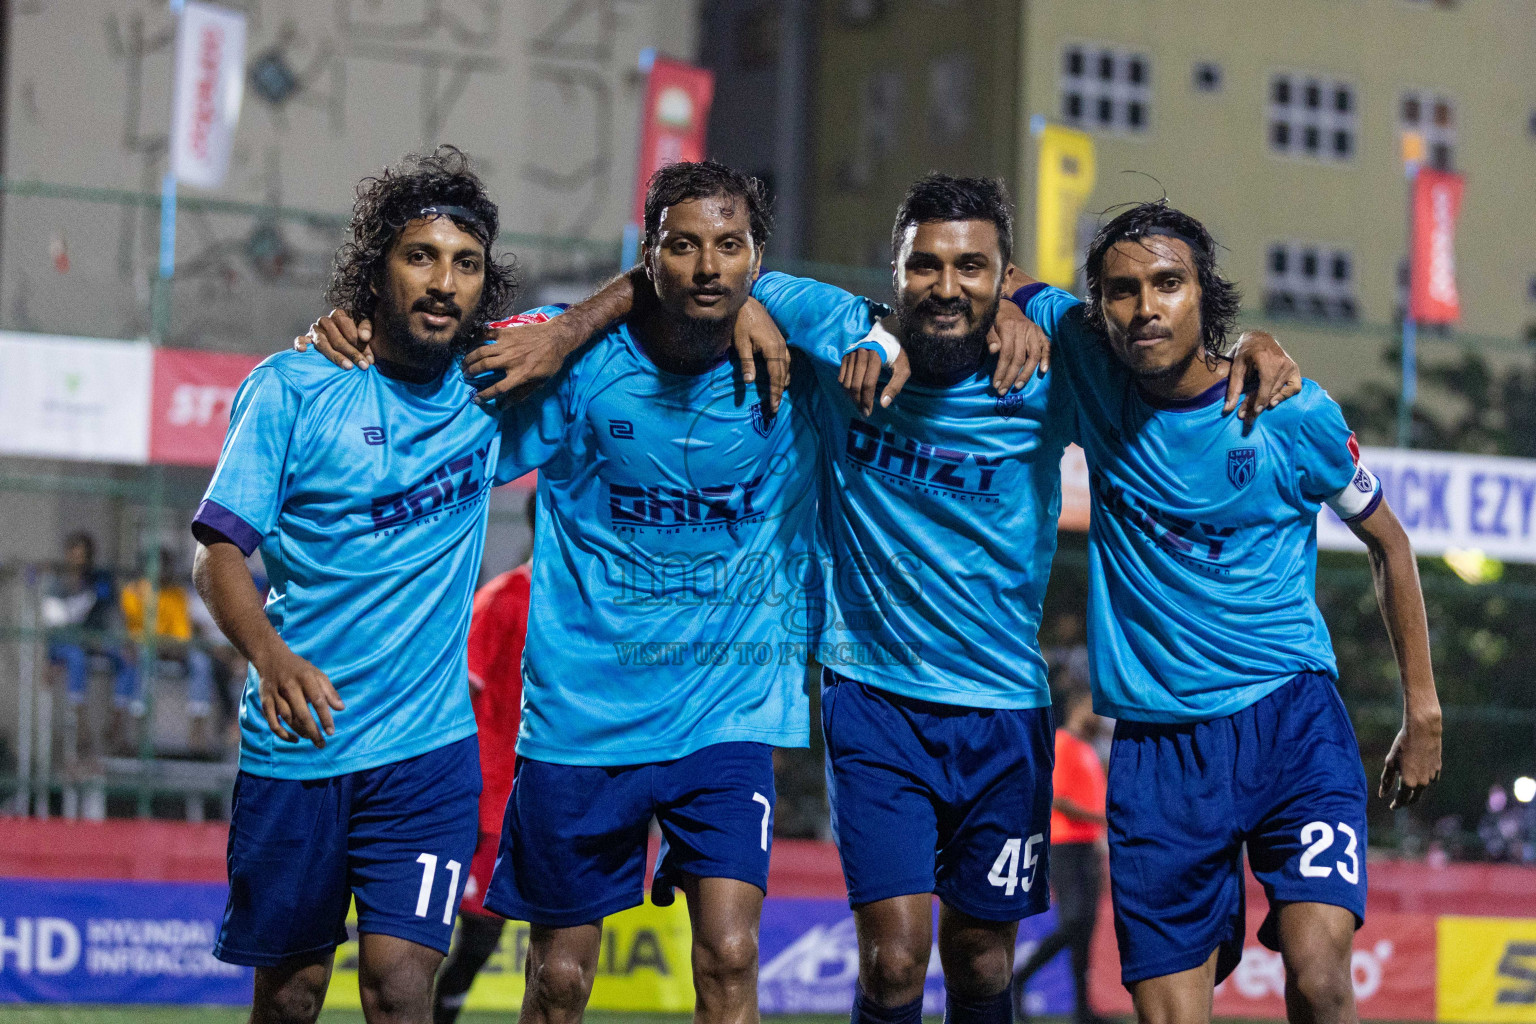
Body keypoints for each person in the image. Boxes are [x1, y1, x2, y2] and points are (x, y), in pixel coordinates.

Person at [743, 176, 1297, 1024]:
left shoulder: (1050, 368)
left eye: (973, 267)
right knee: (894, 962)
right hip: (874, 698)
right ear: (893, 272)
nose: (947, 283)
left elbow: (1160, 345)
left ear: (1006, 278)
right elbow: (721, 272)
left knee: (980, 958)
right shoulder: (839, 337)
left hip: (1004, 713)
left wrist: (1255, 343)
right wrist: (752, 311)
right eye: (924, 265)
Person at [1011, 202, 1444, 1024]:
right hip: (1159, 748)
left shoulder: (1291, 410)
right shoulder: (1091, 367)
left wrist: (1421, 708)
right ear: (1097, 309)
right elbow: (978, 267)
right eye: (1121, 291)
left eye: (1167, 284)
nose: (1144, 307)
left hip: (1291, 722)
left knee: (1318, 977)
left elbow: (1390, 542)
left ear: (1204, 296)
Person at [192, 146, 522, 1024]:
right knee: (294, 992)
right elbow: (216, 554)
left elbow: (627, 309)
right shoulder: (294, 387)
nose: (444, 281)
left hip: (427, 754)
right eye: (420, 256)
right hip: (303, 742)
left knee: (402, 987)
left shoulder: (490, 389)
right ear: (376, 266)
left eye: (466, 263)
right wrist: (270, 656)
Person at [432, 496, 535, 1024]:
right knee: (439, 933)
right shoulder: (501, 600)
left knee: (488, 936)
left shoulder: (589, 603)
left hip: (539, 794)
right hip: (482, 796)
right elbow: (461, 696)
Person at [1012, 685, 1109, 1024]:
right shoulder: (1063, 746)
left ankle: (1083, 1011)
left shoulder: (1087, 750)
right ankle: (1019, 980)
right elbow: (1057, 798)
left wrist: (1099, 836)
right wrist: (1102, 819)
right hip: (1065, 846)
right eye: (1094, 709)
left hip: (1087, 847)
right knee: (1074, 921)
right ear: (1079, 707)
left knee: (1085, 929)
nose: (1100, 718)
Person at [120, 547, 219, 753]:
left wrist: (172, 646)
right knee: (142, 658)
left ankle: (197, 727)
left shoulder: (176, 594)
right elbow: (134, 630)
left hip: (171, 649)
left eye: (165, 566)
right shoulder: (133, 591)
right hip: (145, 648)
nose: (161, 571)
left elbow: (181, 634)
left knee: (200, 661)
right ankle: (140, 727)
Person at [42, 532, 131, 759]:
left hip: (96, 640)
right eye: (75, 556)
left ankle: (116, 725)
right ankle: (80, 724)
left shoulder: (99, 580)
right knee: (76, 657)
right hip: (67, 643)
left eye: (84, 557)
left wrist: (116, 639)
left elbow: (112, 613)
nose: (79, 562)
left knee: (127, 659)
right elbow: (55, 624)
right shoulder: (56, 583)